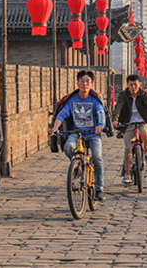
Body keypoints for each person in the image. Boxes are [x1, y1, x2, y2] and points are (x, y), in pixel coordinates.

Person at [49, 70, 107, 201]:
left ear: (91, 84)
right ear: (77, 83)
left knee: (97, 156)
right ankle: (78, 166)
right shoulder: (72, 99)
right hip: (76, 133)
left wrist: (101, 124)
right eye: (82, 81)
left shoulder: (95, 99)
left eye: (88, 82)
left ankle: (99, 188)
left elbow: (100, 112)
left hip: (93, 133)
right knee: (68, 147)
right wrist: (55, 127)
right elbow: (62, 114)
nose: (85, 84)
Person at [112, 74, 147, 184]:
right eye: (131, 85)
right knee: (128, 148)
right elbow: (118, 108)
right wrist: (115, 120)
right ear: (127, 85)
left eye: (135, 84)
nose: (133, 87)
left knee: (144, 132)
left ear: (139, 84)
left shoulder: (143, 94)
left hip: (142, 121)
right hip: (128, 123)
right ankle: (127, 173)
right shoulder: (123, 95)